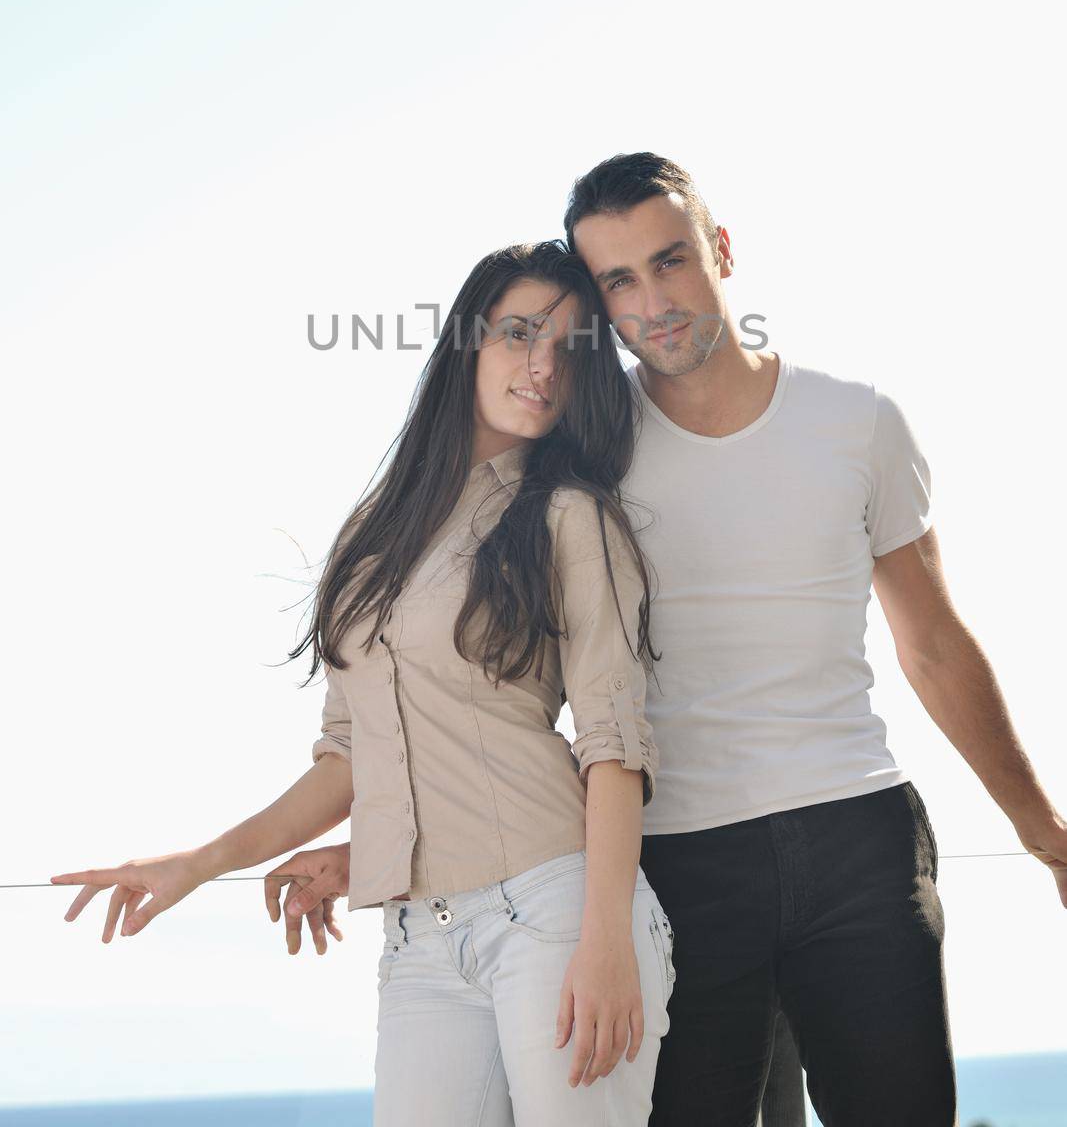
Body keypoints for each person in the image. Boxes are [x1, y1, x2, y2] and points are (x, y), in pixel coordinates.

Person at [49, 240, 680, 1125]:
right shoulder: (372, 540)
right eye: (518, 334)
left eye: (568, 349)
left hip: (557, 912)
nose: (541, 367)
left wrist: (607, 939)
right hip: (419, 939)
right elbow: (349, 758)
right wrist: (198, 864)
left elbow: (614, 747)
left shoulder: (571, 518)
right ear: (465, 344)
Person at [562, 150, 1067, 1127]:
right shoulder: (585, 452)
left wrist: (1038, 826)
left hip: (854, 836)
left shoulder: (855, 421)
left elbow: (932, 643)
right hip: (674, 861)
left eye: (668, 260)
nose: (651, 298)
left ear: (719, 248)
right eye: (616, 280)